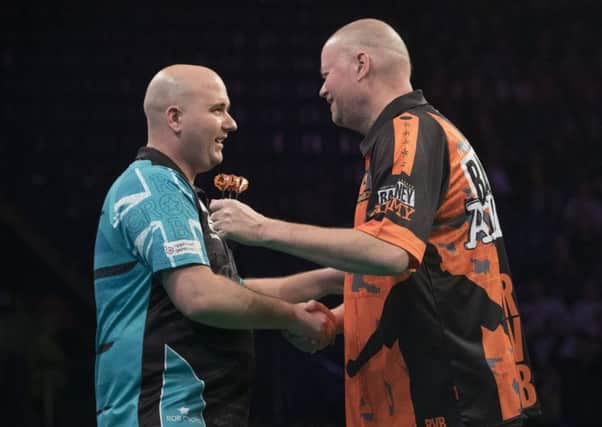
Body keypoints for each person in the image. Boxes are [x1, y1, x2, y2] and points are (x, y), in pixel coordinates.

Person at [209, 19, 542, 427]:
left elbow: (390, 254)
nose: (322, 89)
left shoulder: (411, 133)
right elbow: (422, 277)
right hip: (449, 395)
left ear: (361, 64)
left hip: (452, 402)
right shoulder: (418, 134)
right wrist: (336, 321)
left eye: (327, 75)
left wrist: (261, 229)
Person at [92, 64, 335, 427]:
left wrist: (332, 279)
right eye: (217, 110)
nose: (231, 123)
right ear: (174, 118)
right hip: (160, 413)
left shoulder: (179, 192)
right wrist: (293, 317)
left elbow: (230, 291)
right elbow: (201, 296)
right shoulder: (154, 187)